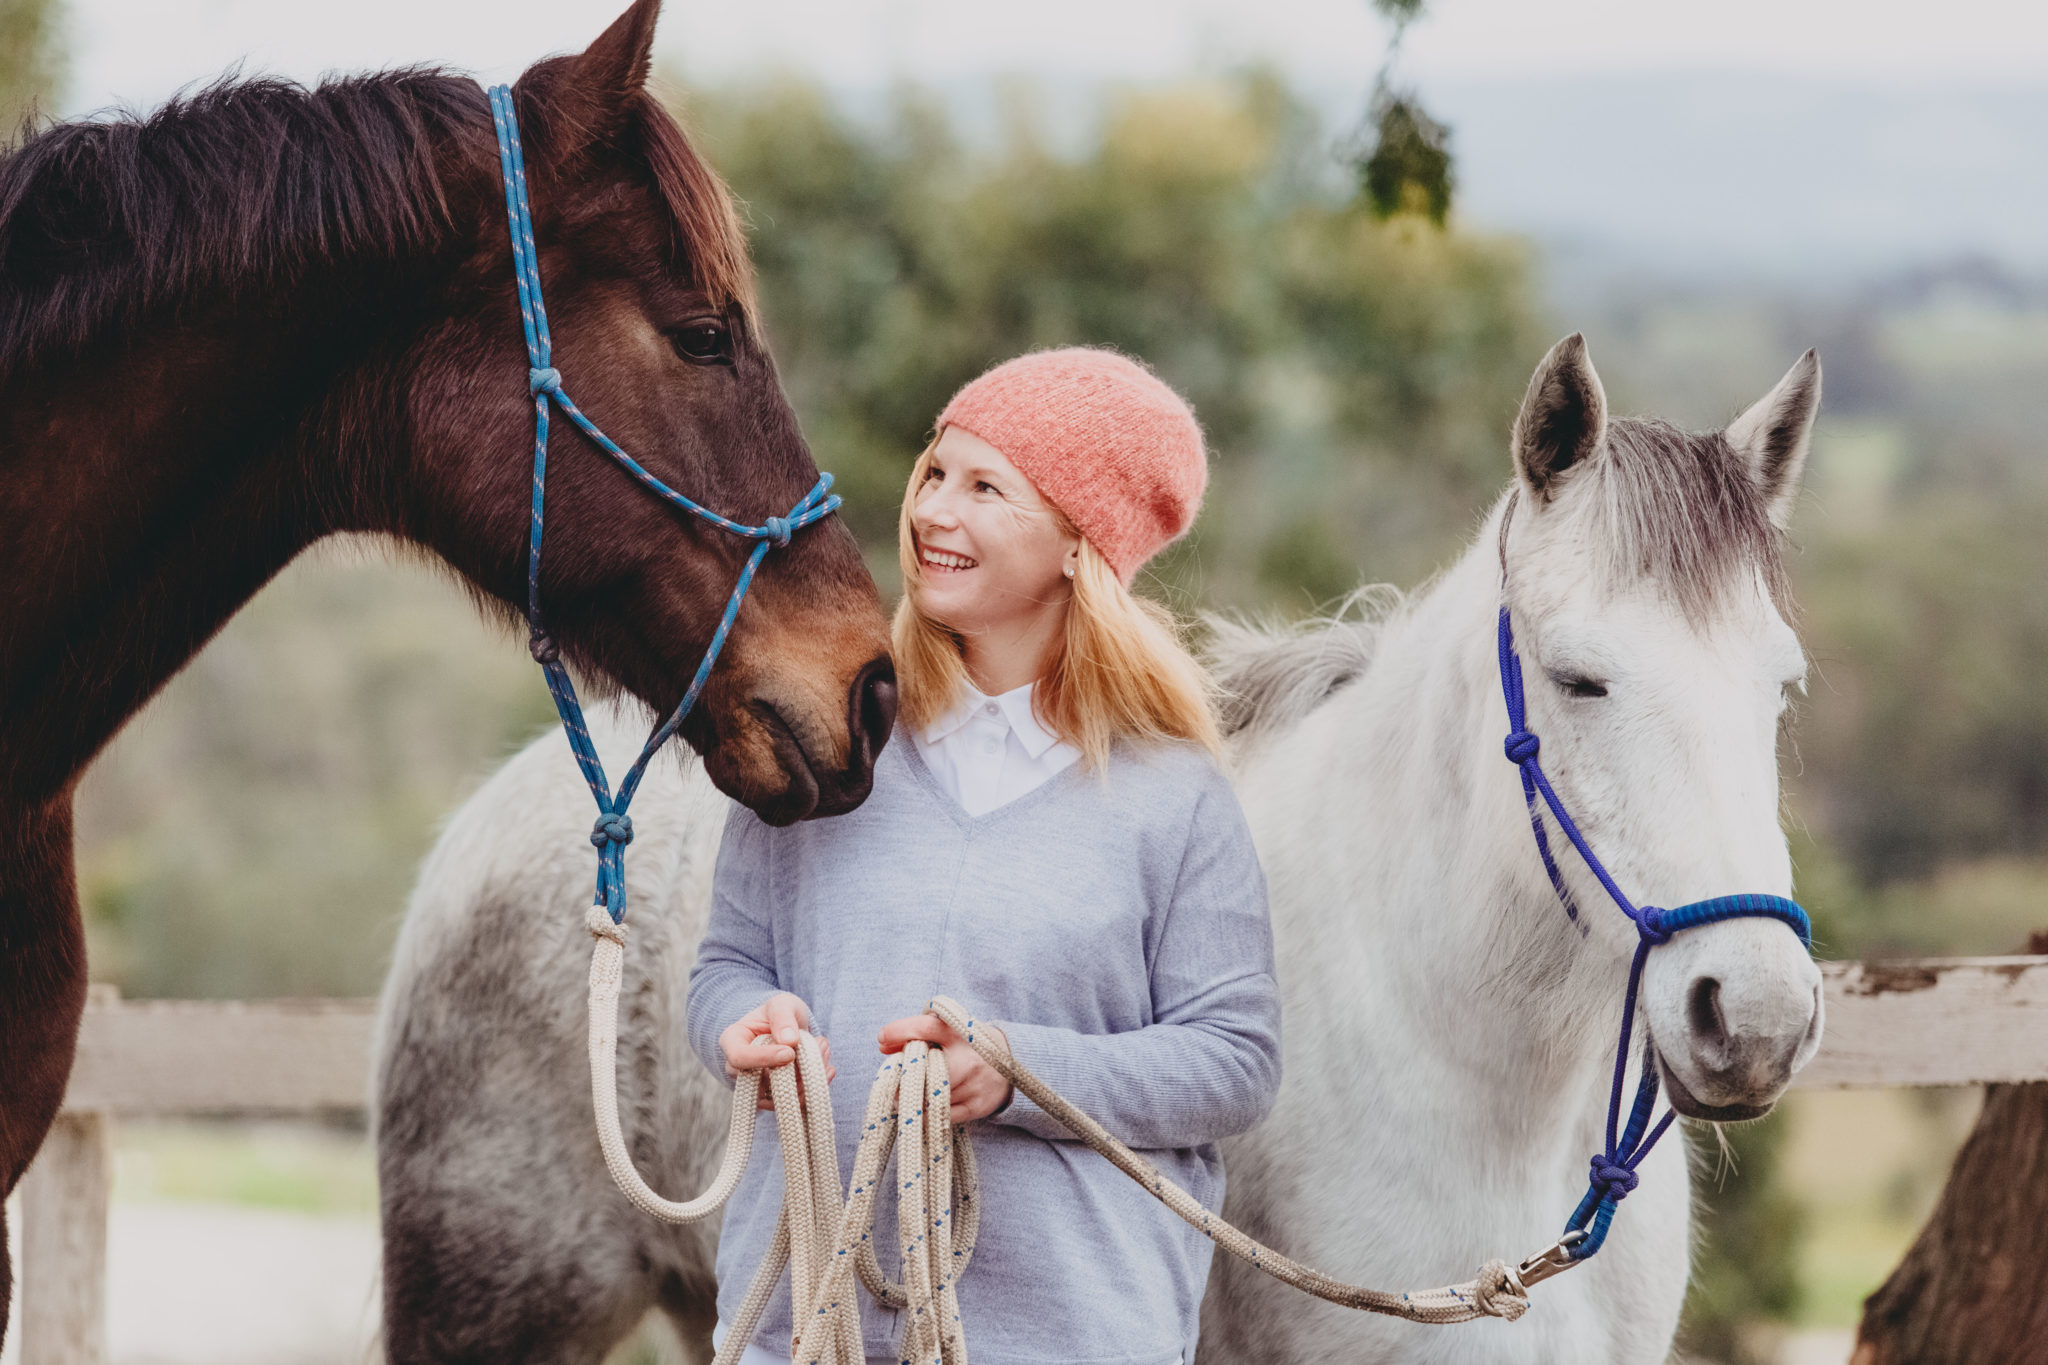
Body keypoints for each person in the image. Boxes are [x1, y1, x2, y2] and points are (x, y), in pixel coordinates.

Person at [686, 347, 1280, 1365]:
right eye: (933, 474)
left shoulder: (1174, 801)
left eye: (983, 487)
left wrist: (1014, 1074)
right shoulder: (827, 750)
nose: (929, 513)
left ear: (1073, 544)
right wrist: (741, 1021)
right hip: (806, 1328)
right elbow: (728, 964)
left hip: (1069, 1335)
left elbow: (1233, 1062)